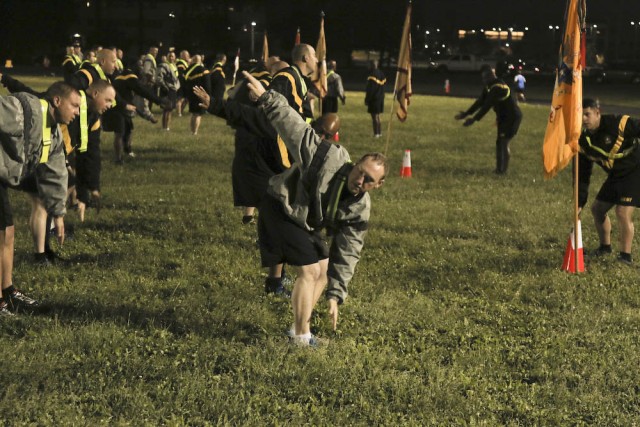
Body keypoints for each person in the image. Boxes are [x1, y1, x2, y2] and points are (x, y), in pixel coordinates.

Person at [243, 70, 388, 346]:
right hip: (281, 205)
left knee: (324, 269)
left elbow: (349, 251)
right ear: (355, 164)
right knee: (309, 271)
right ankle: (300, 337)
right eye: (360, 172)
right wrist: (267, 98)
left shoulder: (359, 210)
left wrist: (336, 295)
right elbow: (293, 126)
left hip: (305, 220)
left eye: (369, 180)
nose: (360, 180)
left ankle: (301, 330)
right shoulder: (327, 158)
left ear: (378, 185)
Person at [0, 81, 80, 312]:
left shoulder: (53, 134)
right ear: (57, 101)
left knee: (8, 232)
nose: (77, 112)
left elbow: (55, 175)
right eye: (74, 106)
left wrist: (58, 215)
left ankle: (8, 291)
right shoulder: (22, 109)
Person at [578, 98, 640, 266]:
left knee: (622, 211)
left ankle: (625, 257)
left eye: (587, 114)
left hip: (635, 170)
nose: (583, 119)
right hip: (616, 175)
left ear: (598, 113)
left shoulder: (618, 123)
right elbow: (583, 175)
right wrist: (579, 202)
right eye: (580, 115)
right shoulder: (583, 141)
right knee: (597, 209)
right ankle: (605, 248)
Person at [454, 65, 522, 174]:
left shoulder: (498, 87)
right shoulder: (490, 86)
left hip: (511, 117)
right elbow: (480, 102)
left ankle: (502, 171)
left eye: (485, 77)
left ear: (492, 75)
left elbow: (487, 105)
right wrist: (466, 114)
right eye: (483, 78)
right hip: (503, 117)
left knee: (504, 142)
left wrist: (474, 119)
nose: (483, 80)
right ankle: (498, 169)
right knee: (499, 142)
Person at [102, 66, 166, 163]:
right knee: (120, 133)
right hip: (120, 107)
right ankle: (118, 158)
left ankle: (127, 150)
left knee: (127, 130)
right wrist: (158, 101)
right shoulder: (130, 77)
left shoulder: (118, 76)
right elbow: (141, 91)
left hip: (117, 106)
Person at [184, 55, 210, 135]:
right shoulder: (203, 70)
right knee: (198, 114)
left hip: (191, 94)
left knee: (193, 113)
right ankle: (195, 132)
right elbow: (207, 84)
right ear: (199, 61)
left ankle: (192, 130)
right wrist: (207, 94)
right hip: (200, 94)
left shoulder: (187, 70)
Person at [156, 51, 180, 131]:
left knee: (170, 109)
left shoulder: (174, 66)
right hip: (167, 90)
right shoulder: (163, 65)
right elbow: (159, 77)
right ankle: (164, 127)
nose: (171, 57)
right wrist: (165, 86)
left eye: (172, 56)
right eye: (169, 56)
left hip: (173, 90)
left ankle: (167, 127)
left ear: (175, 57)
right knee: (166, 109)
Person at [365, 60, 386, 138]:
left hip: (374, 99)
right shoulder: (381, 73)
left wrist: (367, 99)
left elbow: (371, 89)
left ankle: (376, 133)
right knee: (378, 116)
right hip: (380, 98)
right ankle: (379, 132)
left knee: (374, 117)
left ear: (372, 65)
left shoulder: (372, 75)